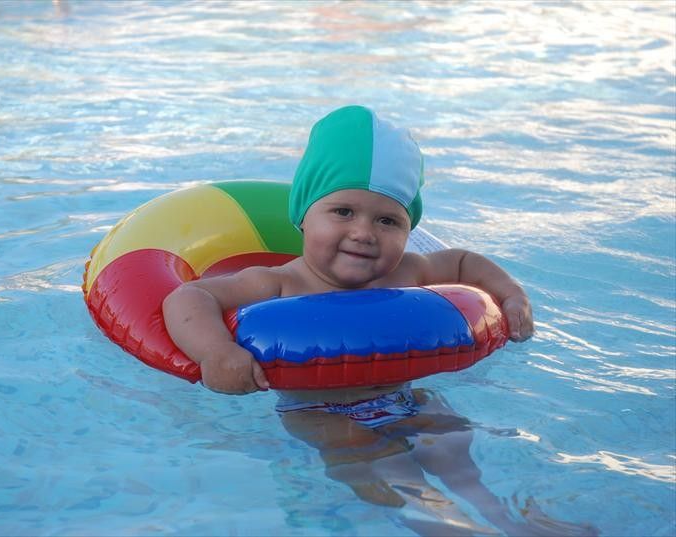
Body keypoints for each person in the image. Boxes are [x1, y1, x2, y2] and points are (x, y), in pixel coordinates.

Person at [164, 106, 593, 535]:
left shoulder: (407, 272)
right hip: (319, 411)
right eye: (343, 212)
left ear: (409, 230)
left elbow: (464, 262)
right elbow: (191, 295)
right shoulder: (278, 283)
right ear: (303, 215)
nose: (364, 233)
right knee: (380, 467)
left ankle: (509, 519)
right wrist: (216, 352)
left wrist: (513, 295)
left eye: (388, 220)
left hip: (406, 398)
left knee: (453, 449)